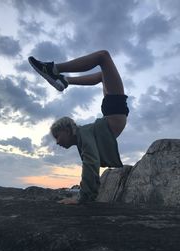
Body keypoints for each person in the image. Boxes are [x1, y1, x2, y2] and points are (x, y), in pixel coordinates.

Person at [28, 50, 129, 205]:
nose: (57, 142)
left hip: (114, 109)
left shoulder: (83, 134)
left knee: (103, 56)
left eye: (57, 136)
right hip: (112, 110)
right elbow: (91, 163)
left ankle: (53, 69)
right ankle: (65, 80)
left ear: (67, 130)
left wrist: (81, 198)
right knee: (103, 74)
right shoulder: (84, 136)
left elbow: (91, 163)